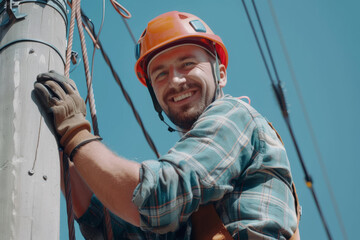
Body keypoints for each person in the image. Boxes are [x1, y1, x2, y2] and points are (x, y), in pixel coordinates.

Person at [34, 11, 300, 239]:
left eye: (188, 64)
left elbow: (159, 196)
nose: (175, 81)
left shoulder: (235, 116)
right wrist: (61, 147)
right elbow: (116, 229)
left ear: (220, 74)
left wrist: (75, 133)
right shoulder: (204, 191)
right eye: (160, 74)